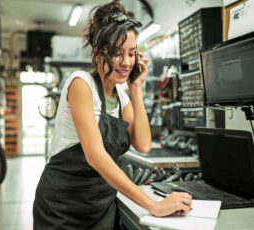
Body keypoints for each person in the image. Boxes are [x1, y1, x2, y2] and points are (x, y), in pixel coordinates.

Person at [33, 2, 192, 229]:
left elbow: (144, 144)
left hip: (101, 205)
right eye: (117, 53)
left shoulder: (122, 96)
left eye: (132, 53)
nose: (126, 62)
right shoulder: (81, 84)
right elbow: (95, 157)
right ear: (99, 53)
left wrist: (135, 88)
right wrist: (153, 205)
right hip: (62, 206)